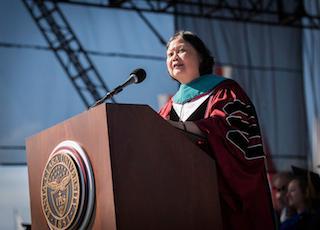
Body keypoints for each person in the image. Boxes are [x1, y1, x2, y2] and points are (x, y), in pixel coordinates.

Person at [159, 31, 275, 230]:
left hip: (220, 197)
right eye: (170, 54)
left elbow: (230, 131)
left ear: (201, 58)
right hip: (182, 198)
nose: (174, 57)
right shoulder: (167, 109)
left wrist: (183, 128)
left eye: (182, 51)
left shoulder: (225, 91)